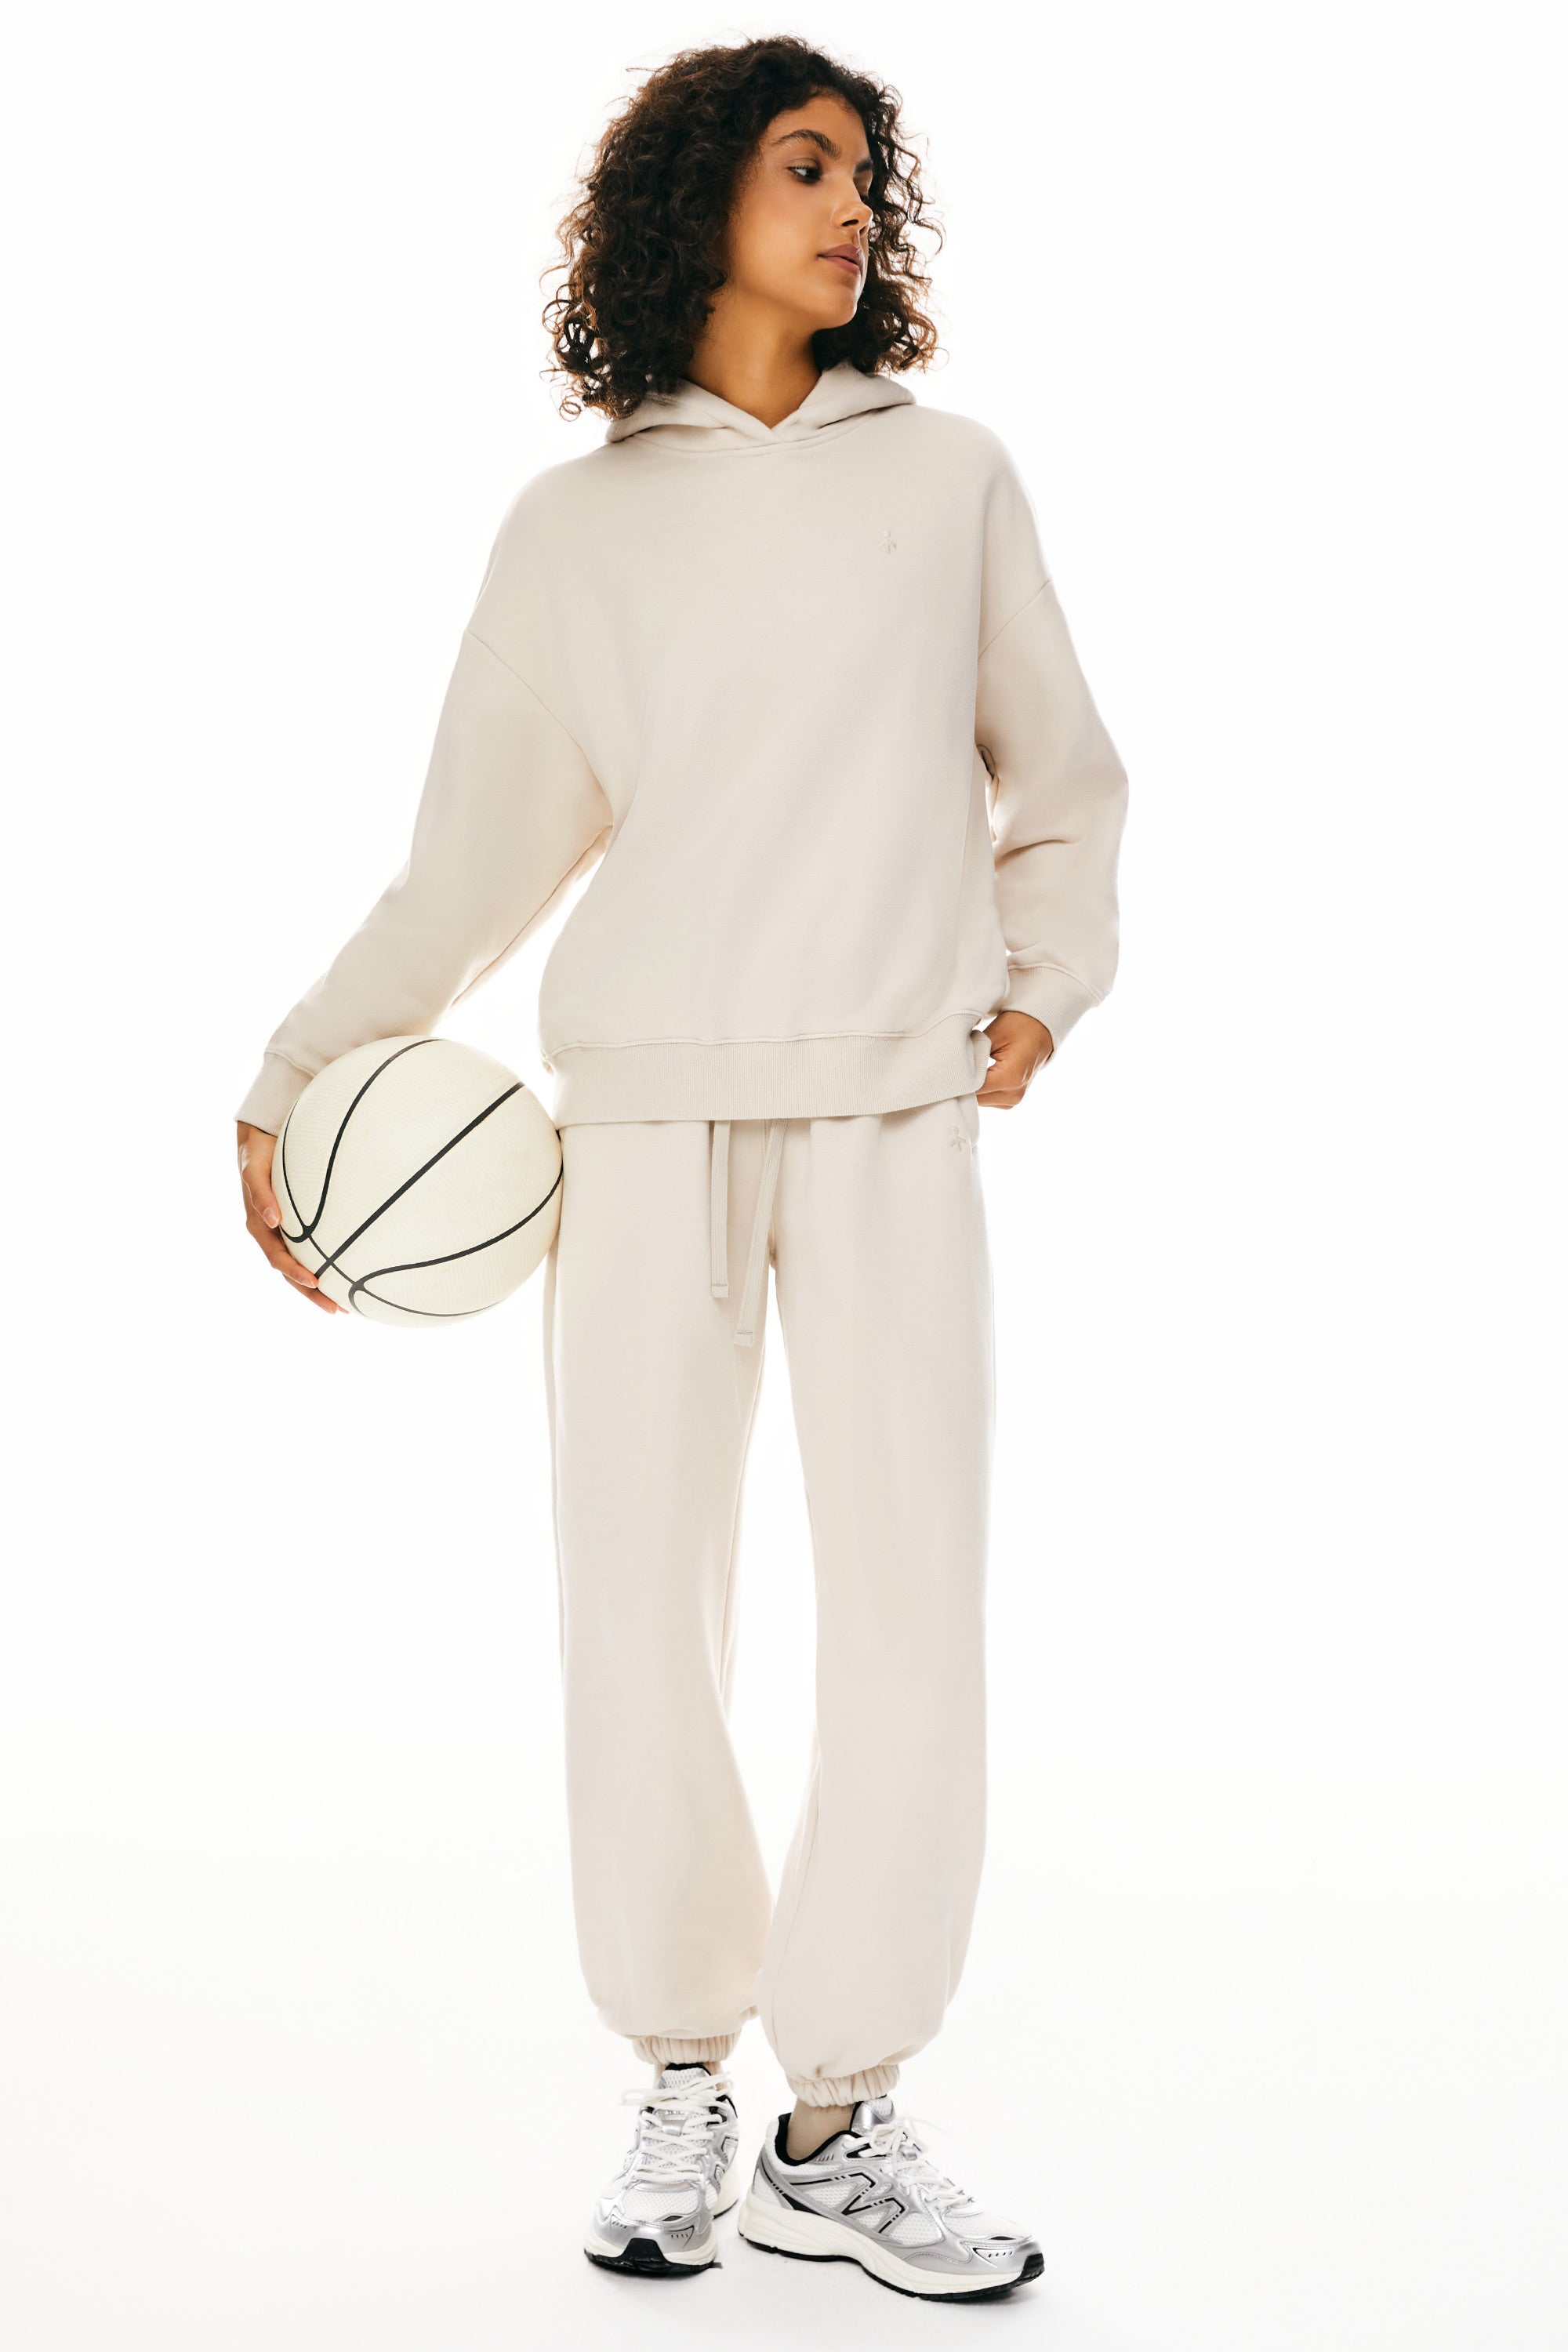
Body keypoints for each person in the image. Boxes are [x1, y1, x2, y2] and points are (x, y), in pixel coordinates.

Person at [235, 34, 1127, 2303]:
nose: (852, 207)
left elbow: (1067, 779)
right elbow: (470, 868)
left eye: (867, 176)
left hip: (893, 1108)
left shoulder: (955, 480)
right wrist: (302, 1070)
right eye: (806, 166)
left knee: (911, 1613)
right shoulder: (575, 533)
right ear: (693, 201)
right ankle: (678, 2076)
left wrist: (1041, 982)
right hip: (637, 1122)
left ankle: (842, 2119)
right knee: (636, 1614)